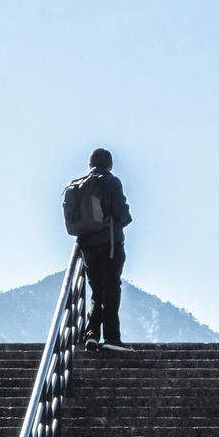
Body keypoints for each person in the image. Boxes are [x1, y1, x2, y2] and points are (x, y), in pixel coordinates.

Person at [75, 147, 133, 348]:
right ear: (110, 166)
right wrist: (125, 219)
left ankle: (91, 334)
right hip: (110, 245)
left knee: (96, 291)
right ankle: (111, 338)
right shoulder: (111, 181)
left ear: (90, 165)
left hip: (87, 246)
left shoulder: (81, 185)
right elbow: (121, 211)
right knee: (111, 289)